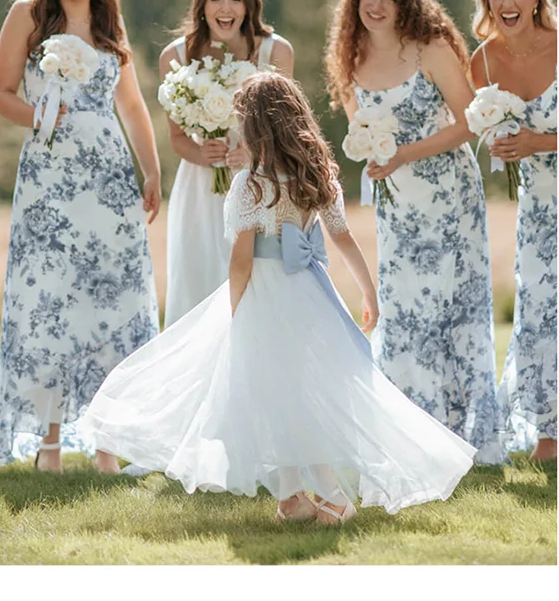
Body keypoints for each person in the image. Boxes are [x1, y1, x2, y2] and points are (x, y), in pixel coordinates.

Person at [81, 72, 477, 523]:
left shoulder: (252, 184)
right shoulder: (318, 173)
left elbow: (241, 261)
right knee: (286, 392)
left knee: (276, 391)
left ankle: (333, 496)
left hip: (266, 296)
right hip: (309, 293)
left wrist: (235, 309)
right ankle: (292, 496)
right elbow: (343, 239)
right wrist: (369, 291)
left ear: (254, 129)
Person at [0, 0, 161, 474]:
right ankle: (49, 445)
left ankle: (106, 446)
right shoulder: (26, 15)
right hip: (51, 182)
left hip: (108, 180)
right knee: (51, 301)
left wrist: (151, 172)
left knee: (113, 301)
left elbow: (130, 104)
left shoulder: (109, 19)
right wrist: (43, 115)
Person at [324, 0, 505, 464]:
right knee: (404, 307)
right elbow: (362, 127)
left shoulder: (430, 48)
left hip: (448, 194)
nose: (376, 5)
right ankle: (411, 427)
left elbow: (469, 122)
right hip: (396, 203)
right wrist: (376, 157)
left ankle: (462, 432)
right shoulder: (351, 55)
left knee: (449, 305)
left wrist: (404, 153)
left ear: (408, 2)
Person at [160, 0, 294, 327]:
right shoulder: (175, 57)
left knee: (257, 290)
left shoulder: (275, 52)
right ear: (201, 6)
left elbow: (286, 131)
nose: (225, 9)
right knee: (200, 284)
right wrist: (203, 153)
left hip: (259, 186)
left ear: (249, 5)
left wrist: (253, 151)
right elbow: (176, 138)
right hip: (199, 191)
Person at [470, 0, 557, 462]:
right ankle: (548, 435)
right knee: (540, 312)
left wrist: (535, 142)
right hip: (538, 207)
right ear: (487, 3)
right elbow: (467, 119)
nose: (509, 3)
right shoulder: (482, 61)